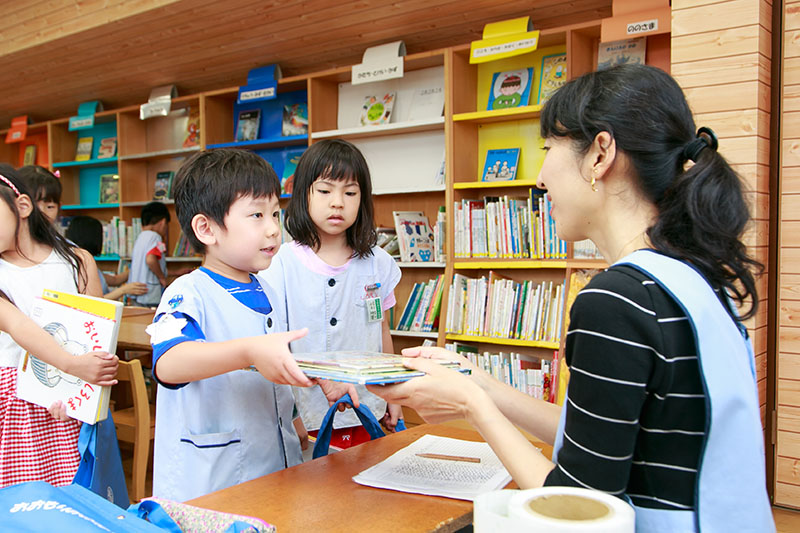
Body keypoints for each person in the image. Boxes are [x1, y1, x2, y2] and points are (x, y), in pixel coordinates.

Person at [369, 64, 774, 532]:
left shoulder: (617, 300)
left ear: (600, 154)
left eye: (549, 149)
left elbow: (577, 512)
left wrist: (470, 406)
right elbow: (608, 439)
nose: (540, 178)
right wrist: (480, 382)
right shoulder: (693, 279)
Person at [146, 149, 356, 502]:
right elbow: (169, 363)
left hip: (272, 466)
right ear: (206, 229)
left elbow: (275, 361)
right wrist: (248, 352)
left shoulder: (268, 290)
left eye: (275, 213)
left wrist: (318, 381)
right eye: (257, 215)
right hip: (212, 479)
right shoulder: (187, 292)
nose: (274, 229)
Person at [259, 138, 403, 451]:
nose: (337, 202)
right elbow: (274, 345)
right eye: (325, 191)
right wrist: (291, 414)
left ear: (362, 199)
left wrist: (393, 393)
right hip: (305, 416)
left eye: (350, 193)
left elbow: (381, 330)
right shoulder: (280, 263)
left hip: (368, 407)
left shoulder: (379, 263)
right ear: (304, 195)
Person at [0, 166, 117, 488]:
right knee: (19, 507)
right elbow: (17, 325)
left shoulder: (77, 261)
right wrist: (73, 366)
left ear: (22, 207)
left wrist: (82, 395)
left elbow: (98, 338)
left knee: (74, 501)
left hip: (69, 400)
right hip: (12, 406)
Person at [65, 215, 148, 301]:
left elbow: (115, 280)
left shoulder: (85, 260)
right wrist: (123, 290)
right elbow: (93, 301)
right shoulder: (80, 262)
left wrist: (138, 267)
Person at [129, 201, 170, 307]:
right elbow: (150, 260)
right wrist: (162, 277)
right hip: (149, 294)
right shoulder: (155, 237)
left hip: (137, 292)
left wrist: (176, 272)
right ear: (162, 222)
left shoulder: (140, 237)